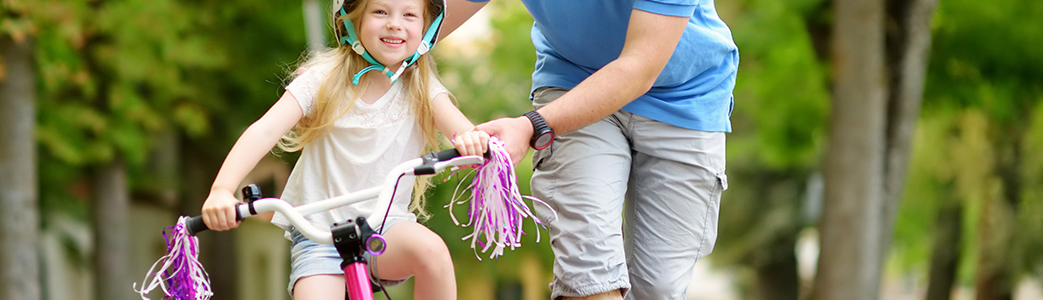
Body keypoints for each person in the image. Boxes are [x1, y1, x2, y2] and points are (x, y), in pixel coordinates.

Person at [441, 1, 738, 299]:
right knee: (588, 272)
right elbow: (427, 21)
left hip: (686, 96)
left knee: (658, 289)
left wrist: (530, 126)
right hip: (573, 83)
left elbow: (639, 66)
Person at [199, 0, 490, 299]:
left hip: (385, 226)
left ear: (427, 29)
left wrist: (471, 140)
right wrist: (223, 188)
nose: (394, 23)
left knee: (431, 251)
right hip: (318, 235)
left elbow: (465, 132)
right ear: (352, 19)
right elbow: (265, 130)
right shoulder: (321, 79)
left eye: (409, 15)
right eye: (380, 11)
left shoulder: (421, 88)